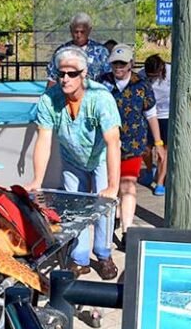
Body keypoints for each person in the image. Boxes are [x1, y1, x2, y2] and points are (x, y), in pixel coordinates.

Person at [26, 46, 121, 280]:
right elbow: (44, 140)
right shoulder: (50, 99)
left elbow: (113, 142)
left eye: (72, 73)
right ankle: (79, 258)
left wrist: (112, 185)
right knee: (74, 208)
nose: (65, 78)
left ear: (84, 73)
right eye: (61, 73)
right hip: (72, 158)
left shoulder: (100, 98)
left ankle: (103, 254)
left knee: (103, 206)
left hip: (99, 156)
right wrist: (37, 180)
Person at [99, 44, 165, 238]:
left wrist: (159, 144)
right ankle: (111, 220)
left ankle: (127, 230)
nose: (118, 67)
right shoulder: (102, 83)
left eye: (122, 63)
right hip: (106, 144)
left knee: (128, 185)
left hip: (133, 143)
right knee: (111, 184)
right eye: (115, 63)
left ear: (131, 63)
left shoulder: (141, 85)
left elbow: (151, 115)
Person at [46, 12, 110, 88]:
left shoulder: (101, 52)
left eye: (82, 32)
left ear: (89, 30)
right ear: (70, 30)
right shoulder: (61, 52)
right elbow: (52, 79)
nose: (79, 35)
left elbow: (109, 79)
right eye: (76, 32)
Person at [139, 54, 171, 196]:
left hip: (167, 114)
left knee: (163, 151)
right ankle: (149, 169)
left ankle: (160, 182)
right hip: (148, 115)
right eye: (149, 76)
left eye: (155, 76)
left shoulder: (171, 71)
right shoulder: (140, 74)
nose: (152, 79)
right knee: (146, 148)